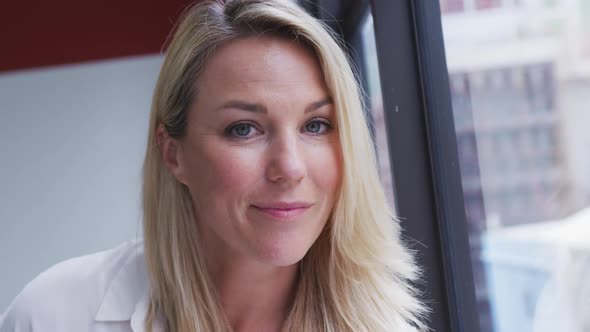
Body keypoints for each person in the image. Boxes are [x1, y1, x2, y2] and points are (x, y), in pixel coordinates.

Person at [0, 0, 427, 331]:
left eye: (316, 125)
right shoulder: (54, 315)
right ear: (174, 154)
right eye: (244, 129)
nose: (290, 167)